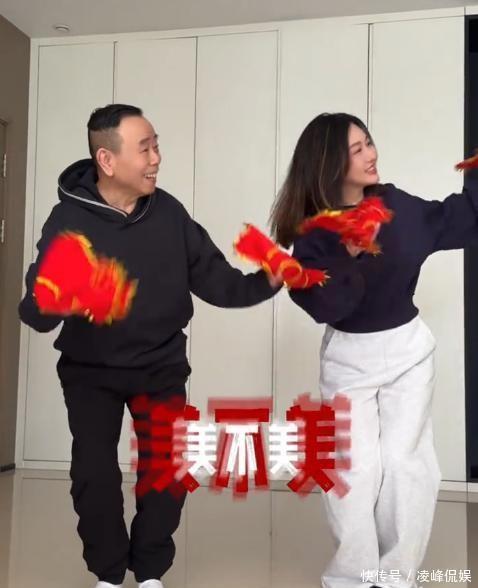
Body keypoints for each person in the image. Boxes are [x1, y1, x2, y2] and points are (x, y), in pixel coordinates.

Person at [19, 104, 282, 588]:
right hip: (90, 371)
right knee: (94, 474)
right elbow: (35, 313)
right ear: (107, 159)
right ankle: (108, 572)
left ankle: (150, 571)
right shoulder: (68, 220)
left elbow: (218, 281)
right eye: (145, 148)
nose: (157, 158)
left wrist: (268, 280)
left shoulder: (170, 213)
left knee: (167, 470)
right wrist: (61, 293)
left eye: (156, 145)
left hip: (161, 367)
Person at [270, 112, 478, 588]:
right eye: (356, 149)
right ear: (329, 164)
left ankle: (396, 577)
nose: (371, 155)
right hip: (349, 358)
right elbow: (325, 305)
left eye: (369, 142)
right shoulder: (314, 234)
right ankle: (352, 577)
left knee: (406, 464)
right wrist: (349, 254)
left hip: (408, 350)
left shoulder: (394, 205)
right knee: (356, 468)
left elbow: (456, 219)